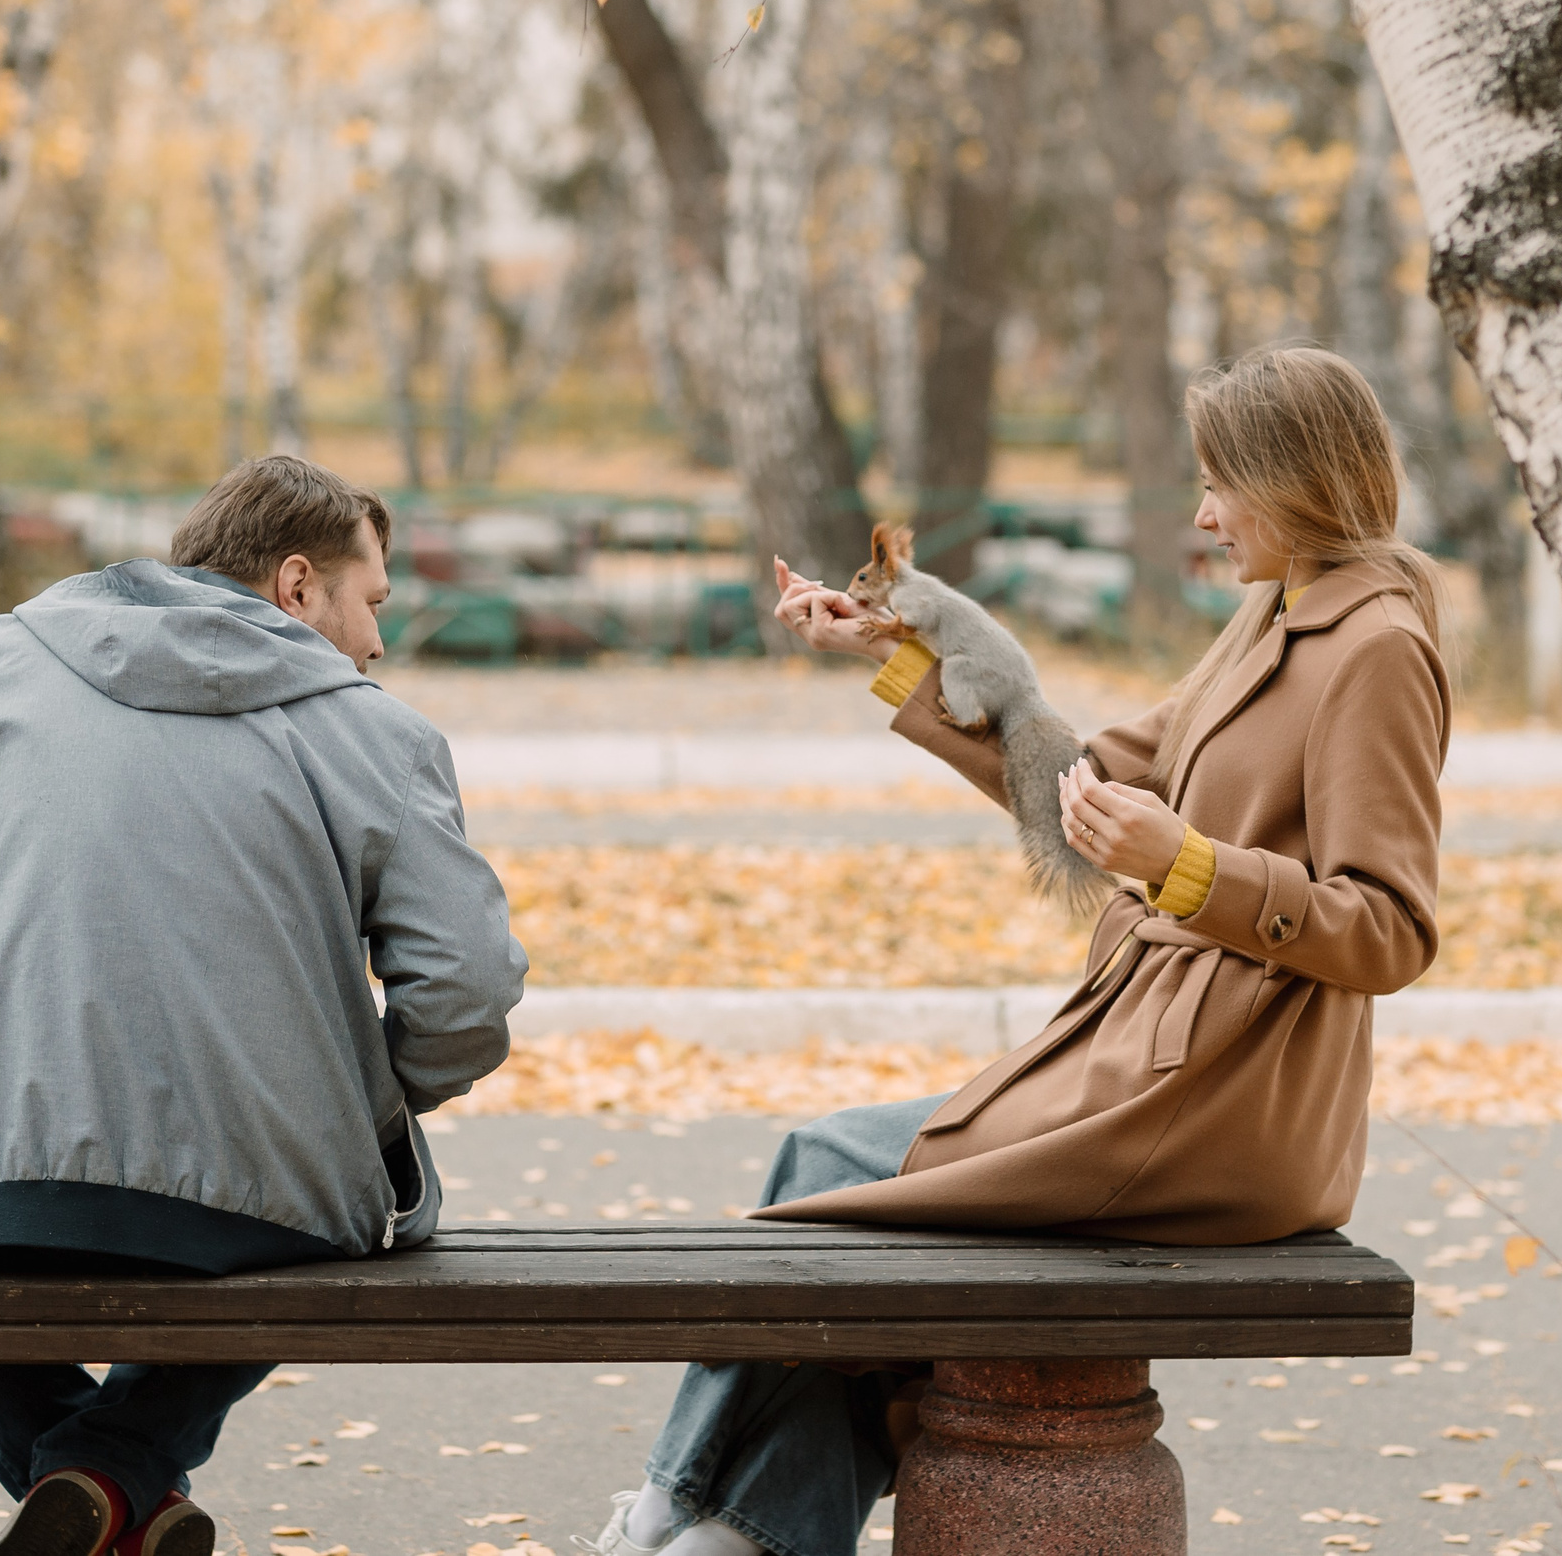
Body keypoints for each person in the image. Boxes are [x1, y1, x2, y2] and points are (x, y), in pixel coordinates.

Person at [580, 346, 1450, 1556]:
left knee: (832, 1169)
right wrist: (887, 651)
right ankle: (724, 1529)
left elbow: (1391, 926)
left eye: (1221, 484)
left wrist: (1186, 867)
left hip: (1225, 1104)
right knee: (839, 1182)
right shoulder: (1279, 609)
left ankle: (690, 1511)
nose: (1201, 514)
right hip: (1154, 1060)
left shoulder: (1376, 648)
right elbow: (1072, 776)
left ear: (1298, 479)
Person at [0, 456, 526, 1556]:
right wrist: (353, 1100)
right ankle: (117, 1478)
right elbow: (468, 988)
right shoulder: (378, 734)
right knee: (308, 1230)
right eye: (373, 604)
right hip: (269, 1199)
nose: (376, 643)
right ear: (298, 586)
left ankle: (98, 1495)